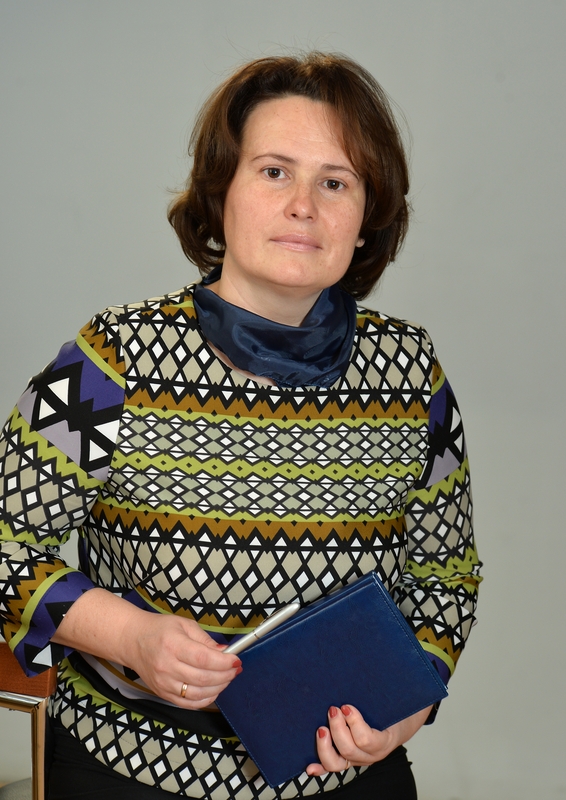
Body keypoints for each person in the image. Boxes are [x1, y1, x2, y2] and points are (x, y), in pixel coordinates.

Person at [0, 52, 481, 799]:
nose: (303, 206)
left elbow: (445, 575)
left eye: (336, 182)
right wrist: (131, 637)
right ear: (220, 191)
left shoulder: (410, 372)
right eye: (274, 171)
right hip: (129, 770)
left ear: (366, 219)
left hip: (348, 776)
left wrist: (407, 709)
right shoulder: (116, 359)